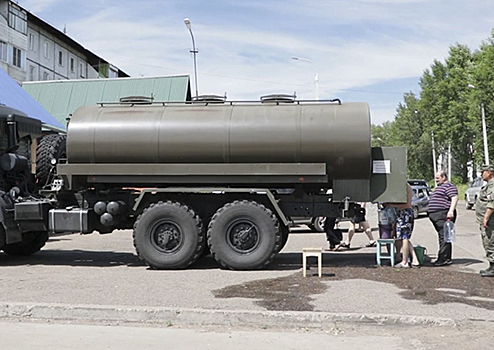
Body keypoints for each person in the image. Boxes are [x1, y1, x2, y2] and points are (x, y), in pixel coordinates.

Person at [427, 170, 458, 266]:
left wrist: (451, 211)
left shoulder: (449, 186)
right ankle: (447, 257)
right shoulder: (440, 187)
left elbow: (454, 197)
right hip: (437, 215)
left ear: (444, 177)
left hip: (443, 214)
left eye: (438, 178)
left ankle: (443, 258)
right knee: (444, 236)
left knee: (444, 236)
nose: (436, 180)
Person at [385, 183, 419, 268]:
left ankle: (405, 262)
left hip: (405, 214)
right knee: (402, 237)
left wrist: (391, 205)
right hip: (401, 215)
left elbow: (407, 204)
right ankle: (414, 259)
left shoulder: (406, 187)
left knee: (404, 237)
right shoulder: (400, 187)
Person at [475, 164, 494, 277]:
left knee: (490, 243)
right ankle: (491, 266)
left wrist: (486, 218)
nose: (482, 174)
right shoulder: (489, 185)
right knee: (488, 242)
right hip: (488, 221)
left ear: (490, 173)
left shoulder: (492, 186)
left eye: (484, 172)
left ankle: (493, 268)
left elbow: (491, 203)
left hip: (491, 222)